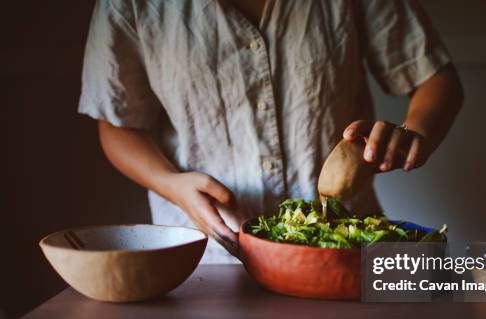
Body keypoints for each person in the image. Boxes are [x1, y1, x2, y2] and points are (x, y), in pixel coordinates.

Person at [79, 0, 463, 263]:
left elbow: (436, 80)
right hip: (206, 260)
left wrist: (415, 133)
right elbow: (116, 125)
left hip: (344, 250)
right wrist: (173, 185)